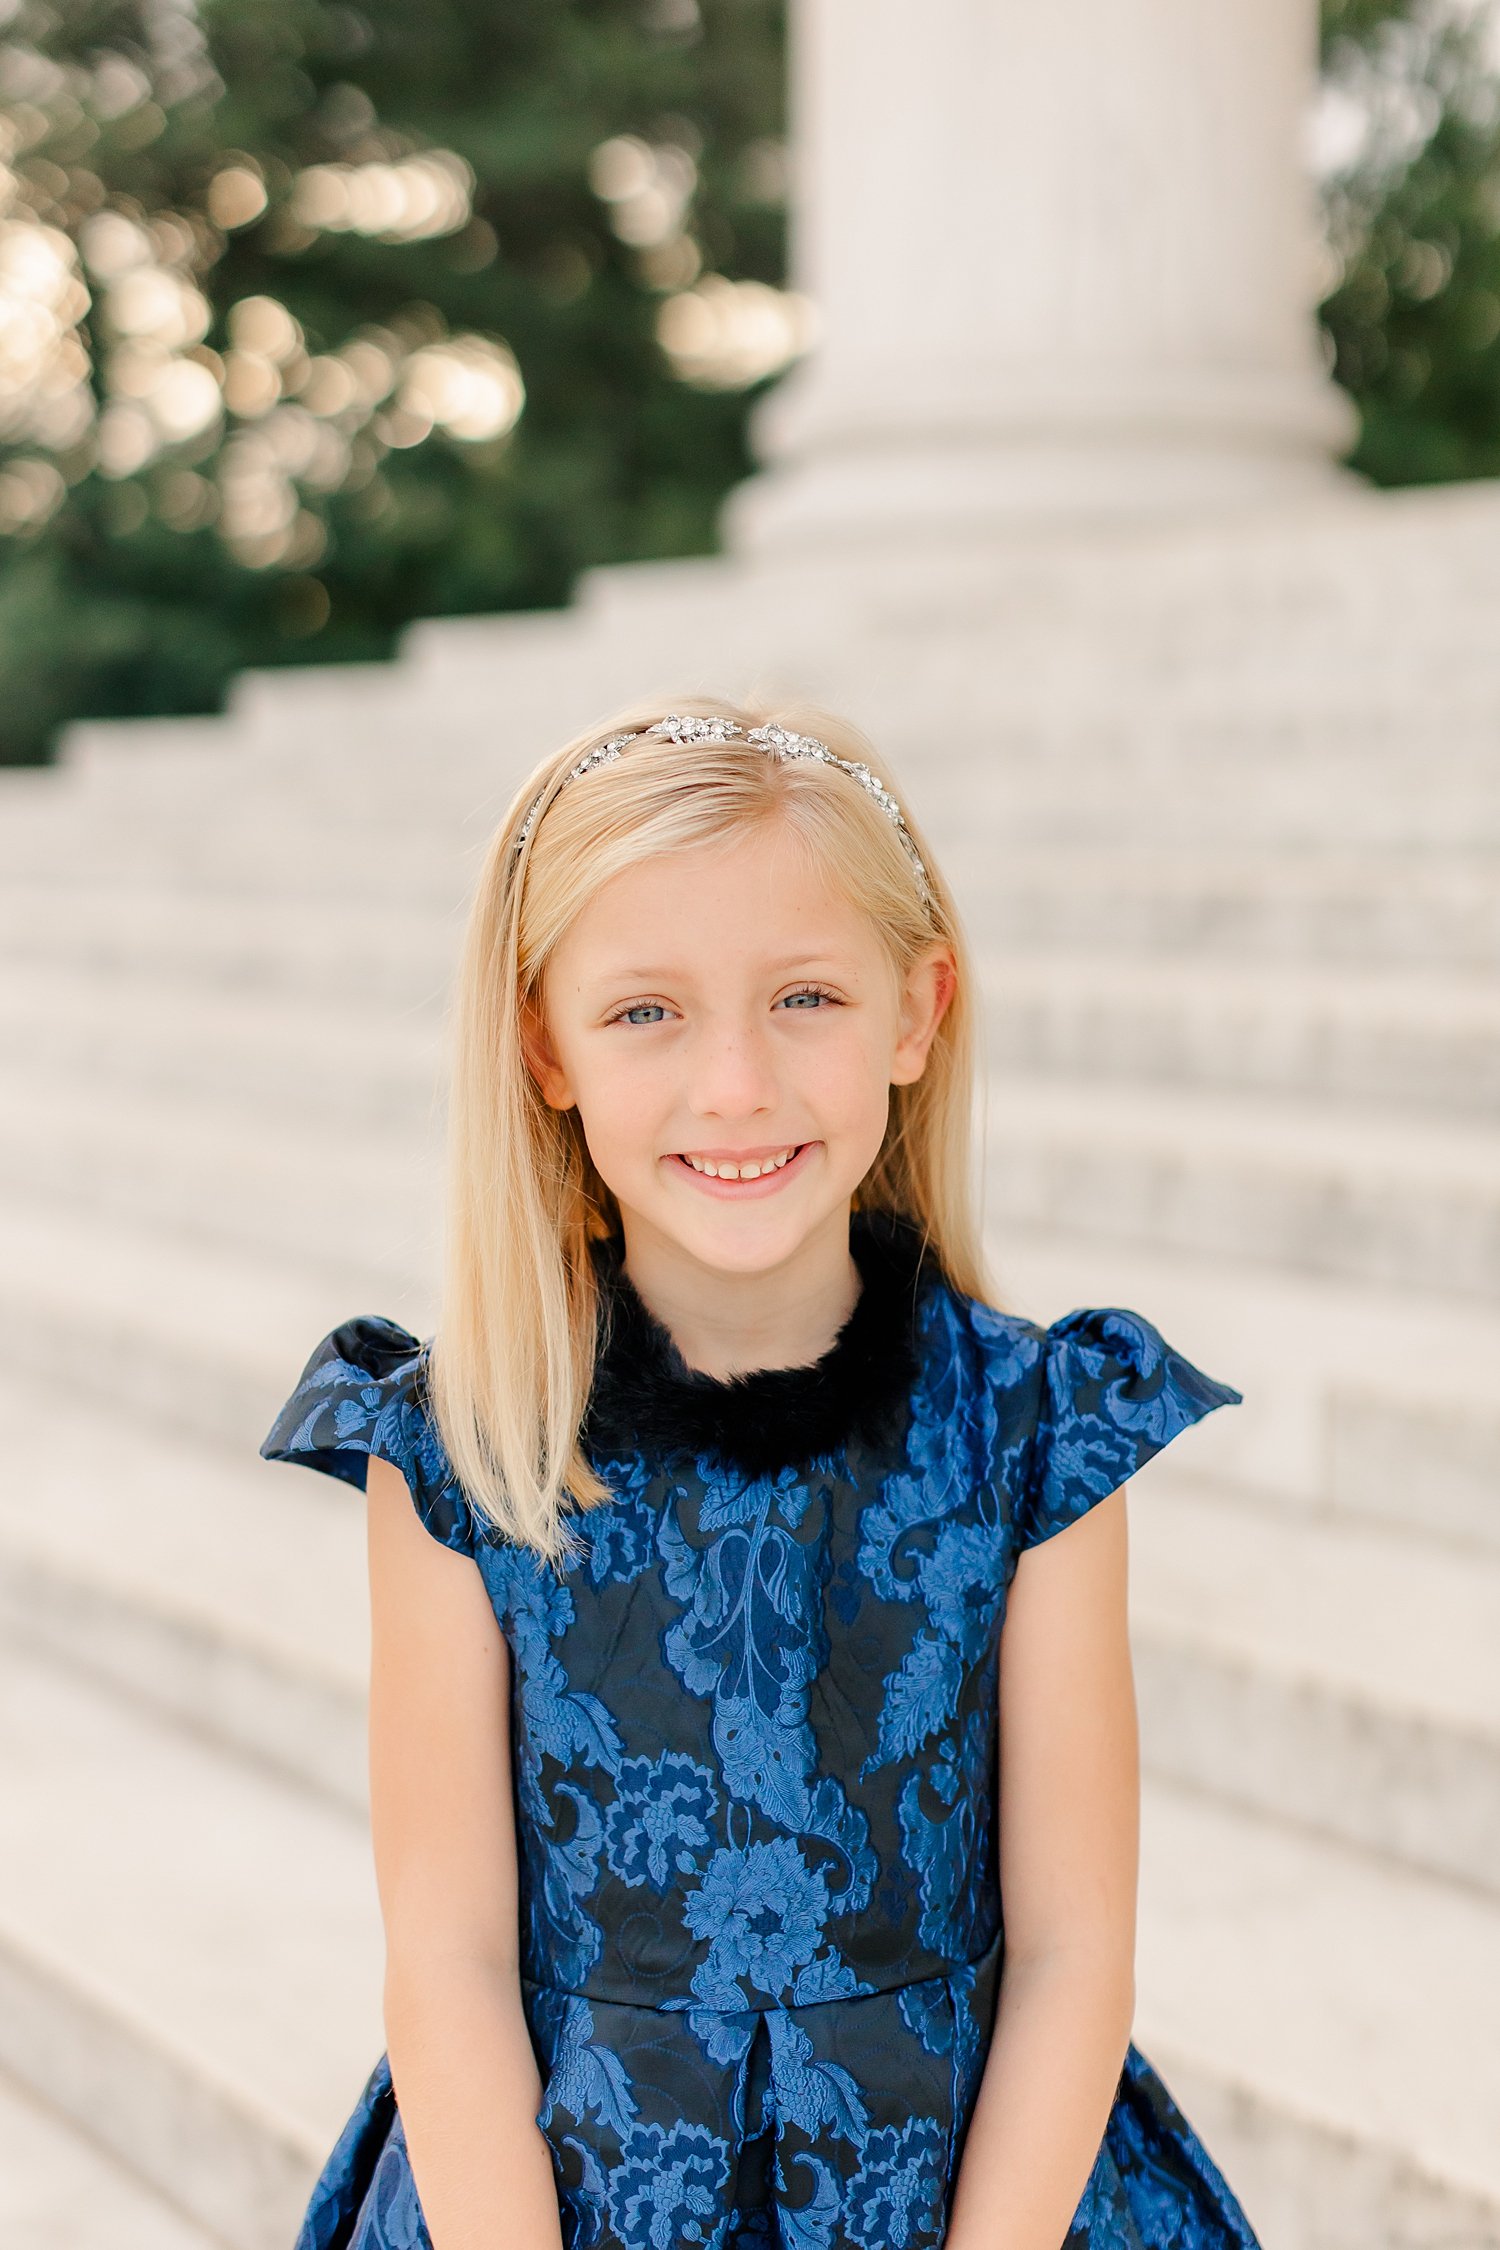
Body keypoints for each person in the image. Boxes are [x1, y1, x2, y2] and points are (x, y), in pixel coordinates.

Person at [261, 697, 1264, 2250]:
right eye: (645, 1011)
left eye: (804, 996)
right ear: (543, 1044)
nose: (735, 1084)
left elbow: (1074, 1949)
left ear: (917, 1010)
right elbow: (446, 1958)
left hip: (968, 2193)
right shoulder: (458, 1445)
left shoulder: (1039, 1426)